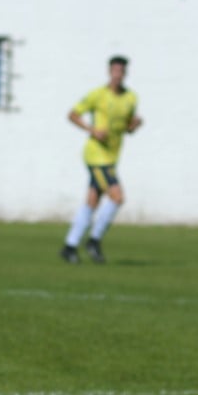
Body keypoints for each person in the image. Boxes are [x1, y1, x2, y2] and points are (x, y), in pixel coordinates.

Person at [59, 55, 142, 265]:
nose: (117, 75)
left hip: (112, 156)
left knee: (92, 202)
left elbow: (127, 129)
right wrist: (92, 130)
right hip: (96, 155)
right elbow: (72, 114)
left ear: (125, 73)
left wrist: (135, 125)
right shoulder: (98, 95)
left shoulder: (130, 98)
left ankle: (70, 246)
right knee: (117, 197)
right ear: (109, 72)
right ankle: (94, 241)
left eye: (121, 71)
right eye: (114, 71)